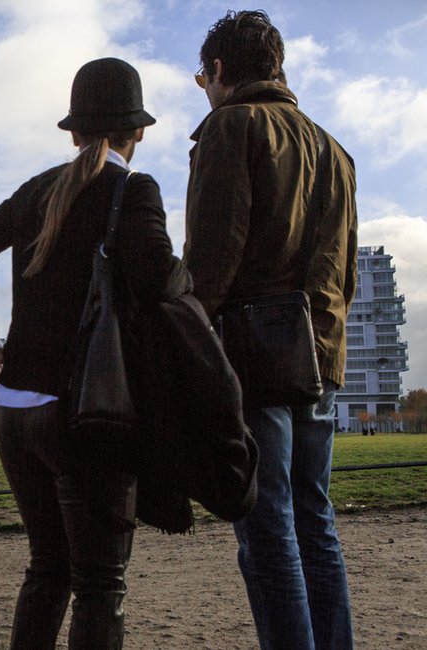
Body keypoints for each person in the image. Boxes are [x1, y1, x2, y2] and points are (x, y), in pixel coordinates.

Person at [0, 58, 188, 649]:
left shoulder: (38, 190)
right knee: (100, 584)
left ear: (74, 132)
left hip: (16, 414)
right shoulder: (134, 191)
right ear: (141, 131)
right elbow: (160, 280)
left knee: (47, 569)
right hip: (85, 414)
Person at [183, 10, 358, 650]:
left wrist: (186, 341)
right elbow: (343, 267)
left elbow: (211, 258)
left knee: (267, 525)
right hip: (320, 354)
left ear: (221, 70)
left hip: (256, 352)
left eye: (203, 76)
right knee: (316, 519)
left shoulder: (232, 128)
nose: (204, 87)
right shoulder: (335, 151)